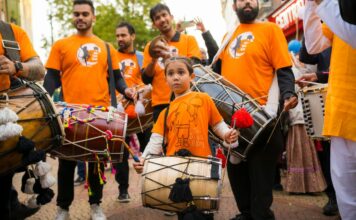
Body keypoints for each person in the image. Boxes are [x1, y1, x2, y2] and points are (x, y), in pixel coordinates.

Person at [43, 1, 133, 219]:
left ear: (94, 17)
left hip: (100, 114)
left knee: (96, 165)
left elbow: (117, 78)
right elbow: (52, 77)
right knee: (66, 165)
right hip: (70, 114)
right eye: (76, 14)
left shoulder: (107, 47)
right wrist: (44, 100)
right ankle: (63, 208)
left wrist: (127, 91)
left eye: (85, 14)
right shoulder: (61, 45)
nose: (80, 17)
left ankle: (96, 205)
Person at [213, 0, 298, 219]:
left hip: (263, 116)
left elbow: (284, 68)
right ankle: (246, 213)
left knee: (261, 176)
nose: (247, 1)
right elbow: (218, 76)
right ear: (234, 6)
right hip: (232, 116)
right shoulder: (227, 37)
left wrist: (289, 93)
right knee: (237, 171)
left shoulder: (270, 29)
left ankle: (261, 215)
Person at [133, 56, 238, 219]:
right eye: (171, 74)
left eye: (181, 72)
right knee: (183, 214)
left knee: (204, 214)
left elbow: (218, 125)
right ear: (166, 80)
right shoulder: (164, 112)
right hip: (176, 170)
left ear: (192, 76)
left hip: (202, 168)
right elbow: (155, 140)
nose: (176, 77)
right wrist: (144, 159)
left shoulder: (204, 99)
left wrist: (227, 134)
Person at [303, 1, 356, 219]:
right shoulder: (341, 7)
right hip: (342, 114)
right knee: (347, 198)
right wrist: (310, 5)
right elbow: (314, 44)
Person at [0, 19, 45, 220]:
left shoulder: (11, 33)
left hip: (5, 117)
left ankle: (11, 204)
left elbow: (39, 69)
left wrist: (15, 66)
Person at [297, 39, 338, 216]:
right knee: (331, 153)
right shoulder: (324, 31)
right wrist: (311, 17)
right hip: (329, 102)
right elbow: (307, 55)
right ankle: (334, 198)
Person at [141, 3, 201, 122]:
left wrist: (171, 57)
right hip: (161, 104)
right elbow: (145, 79)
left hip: (187, 99)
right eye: (157, 18)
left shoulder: (189, 40)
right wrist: (154, 59)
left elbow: (196, 68)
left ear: (171, 17)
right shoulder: (150, 47)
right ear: (154, 24)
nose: (162, 20)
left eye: (164, 15)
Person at [114, 21, 150, 203]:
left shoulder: (142, 57)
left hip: (142, 115)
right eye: (117, 36)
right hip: (119, 116)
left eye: (123, 35)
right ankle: (123, 190)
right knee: (120, 155)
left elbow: (149, 81)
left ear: (132, 36)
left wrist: (140, 91)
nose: (120, 39)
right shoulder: (111, 57)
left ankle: (152, 188)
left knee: (149, 151)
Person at [284, 40, 327, 194]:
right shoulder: (299, 68)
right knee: (305, 151)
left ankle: (302, 185)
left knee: (300, 151)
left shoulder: (298, 68)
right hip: (302, 115)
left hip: (302, 115)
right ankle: (307, 185)